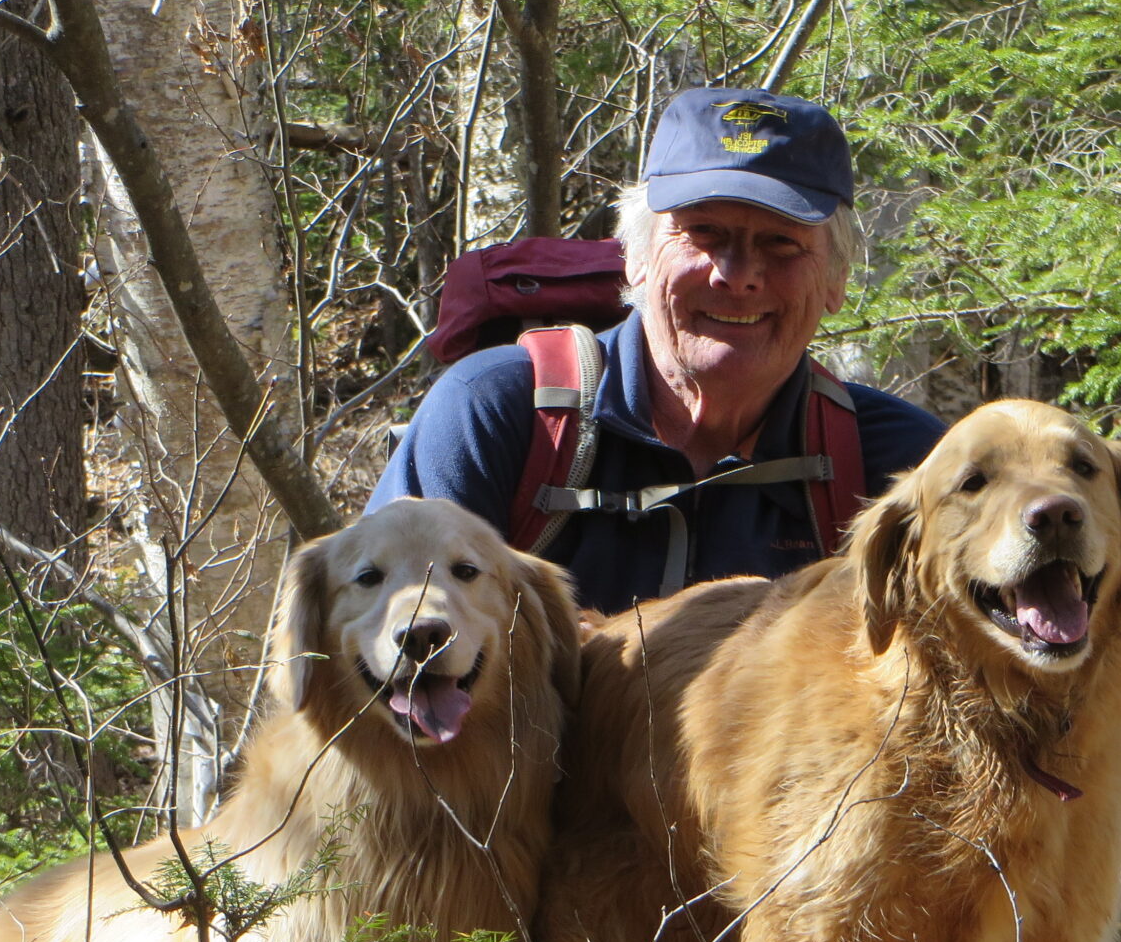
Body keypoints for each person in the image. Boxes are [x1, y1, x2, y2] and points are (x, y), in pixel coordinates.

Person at [370, 88, 945, 614]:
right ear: (636, 256)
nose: (737, 275)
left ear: (837, 280)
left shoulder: (900, 465)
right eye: (703, 233)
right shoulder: (497, 415)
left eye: (781, 242)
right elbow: (380, 666)